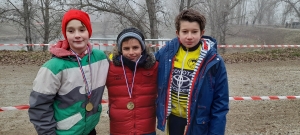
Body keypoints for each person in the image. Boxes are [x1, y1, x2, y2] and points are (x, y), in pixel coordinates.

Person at [28, 9, 109, 135]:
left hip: (90, 129)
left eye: (82, 30)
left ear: (89, 32)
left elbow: (121, 73)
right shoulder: (53, 67)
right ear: (65, 34)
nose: (77, 35)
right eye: (71, 31)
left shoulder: (100, 58)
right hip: (64, 132)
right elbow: (39, 106)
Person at [155, 9, 229, 135]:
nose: (189, 36)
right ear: (177, 33)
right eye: (185, 31)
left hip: (199, 122)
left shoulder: (214, 61)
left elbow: (220, 103)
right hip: (173, 119)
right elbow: (146, 63)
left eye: (194, 32)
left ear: (202, 33)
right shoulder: (166, 52)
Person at [106, 27, 158, 135]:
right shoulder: (110, 68)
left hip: (146, 128)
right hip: (119, 129)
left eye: (135, 47)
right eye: (126, 48)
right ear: (120, 49)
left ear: (142, 48)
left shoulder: (153, 67)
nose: (131, 52)